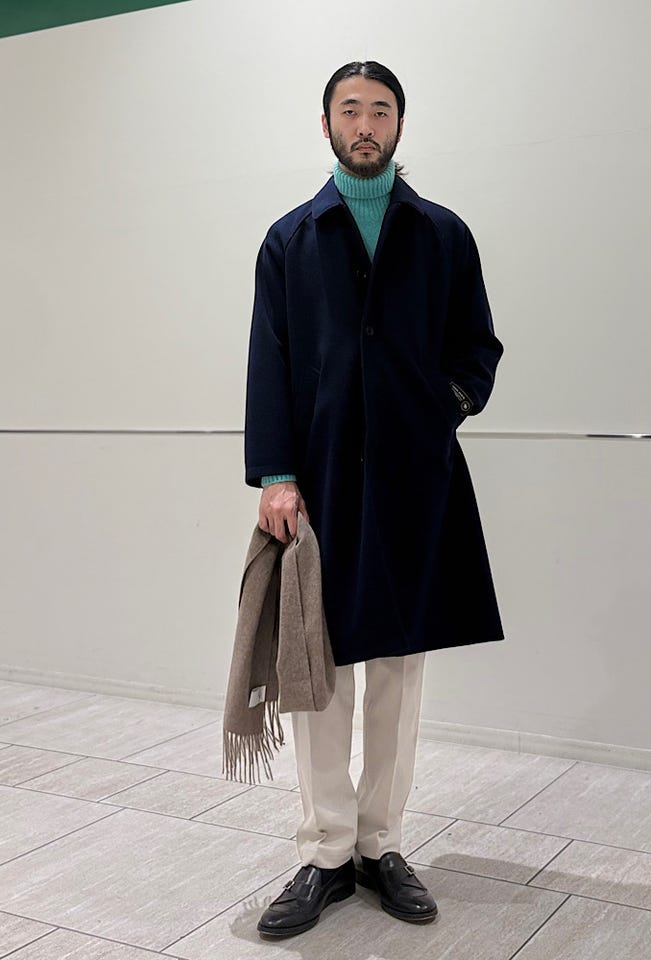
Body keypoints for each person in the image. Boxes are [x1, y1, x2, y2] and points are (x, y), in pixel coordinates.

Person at [244, 60, 505, 939]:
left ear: (400, 124)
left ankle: (380, 845)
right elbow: (270, 360)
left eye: (380, 110)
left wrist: (441, 407)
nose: (366, 124)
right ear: (326, 126)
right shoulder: (289, 240)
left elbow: (477, 348)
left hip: (413, 482)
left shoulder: (442, 234)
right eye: (350, 110)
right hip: (318, 484)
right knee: (318, 670)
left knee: (397, 668)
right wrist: (275, 474)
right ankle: (325, 851)